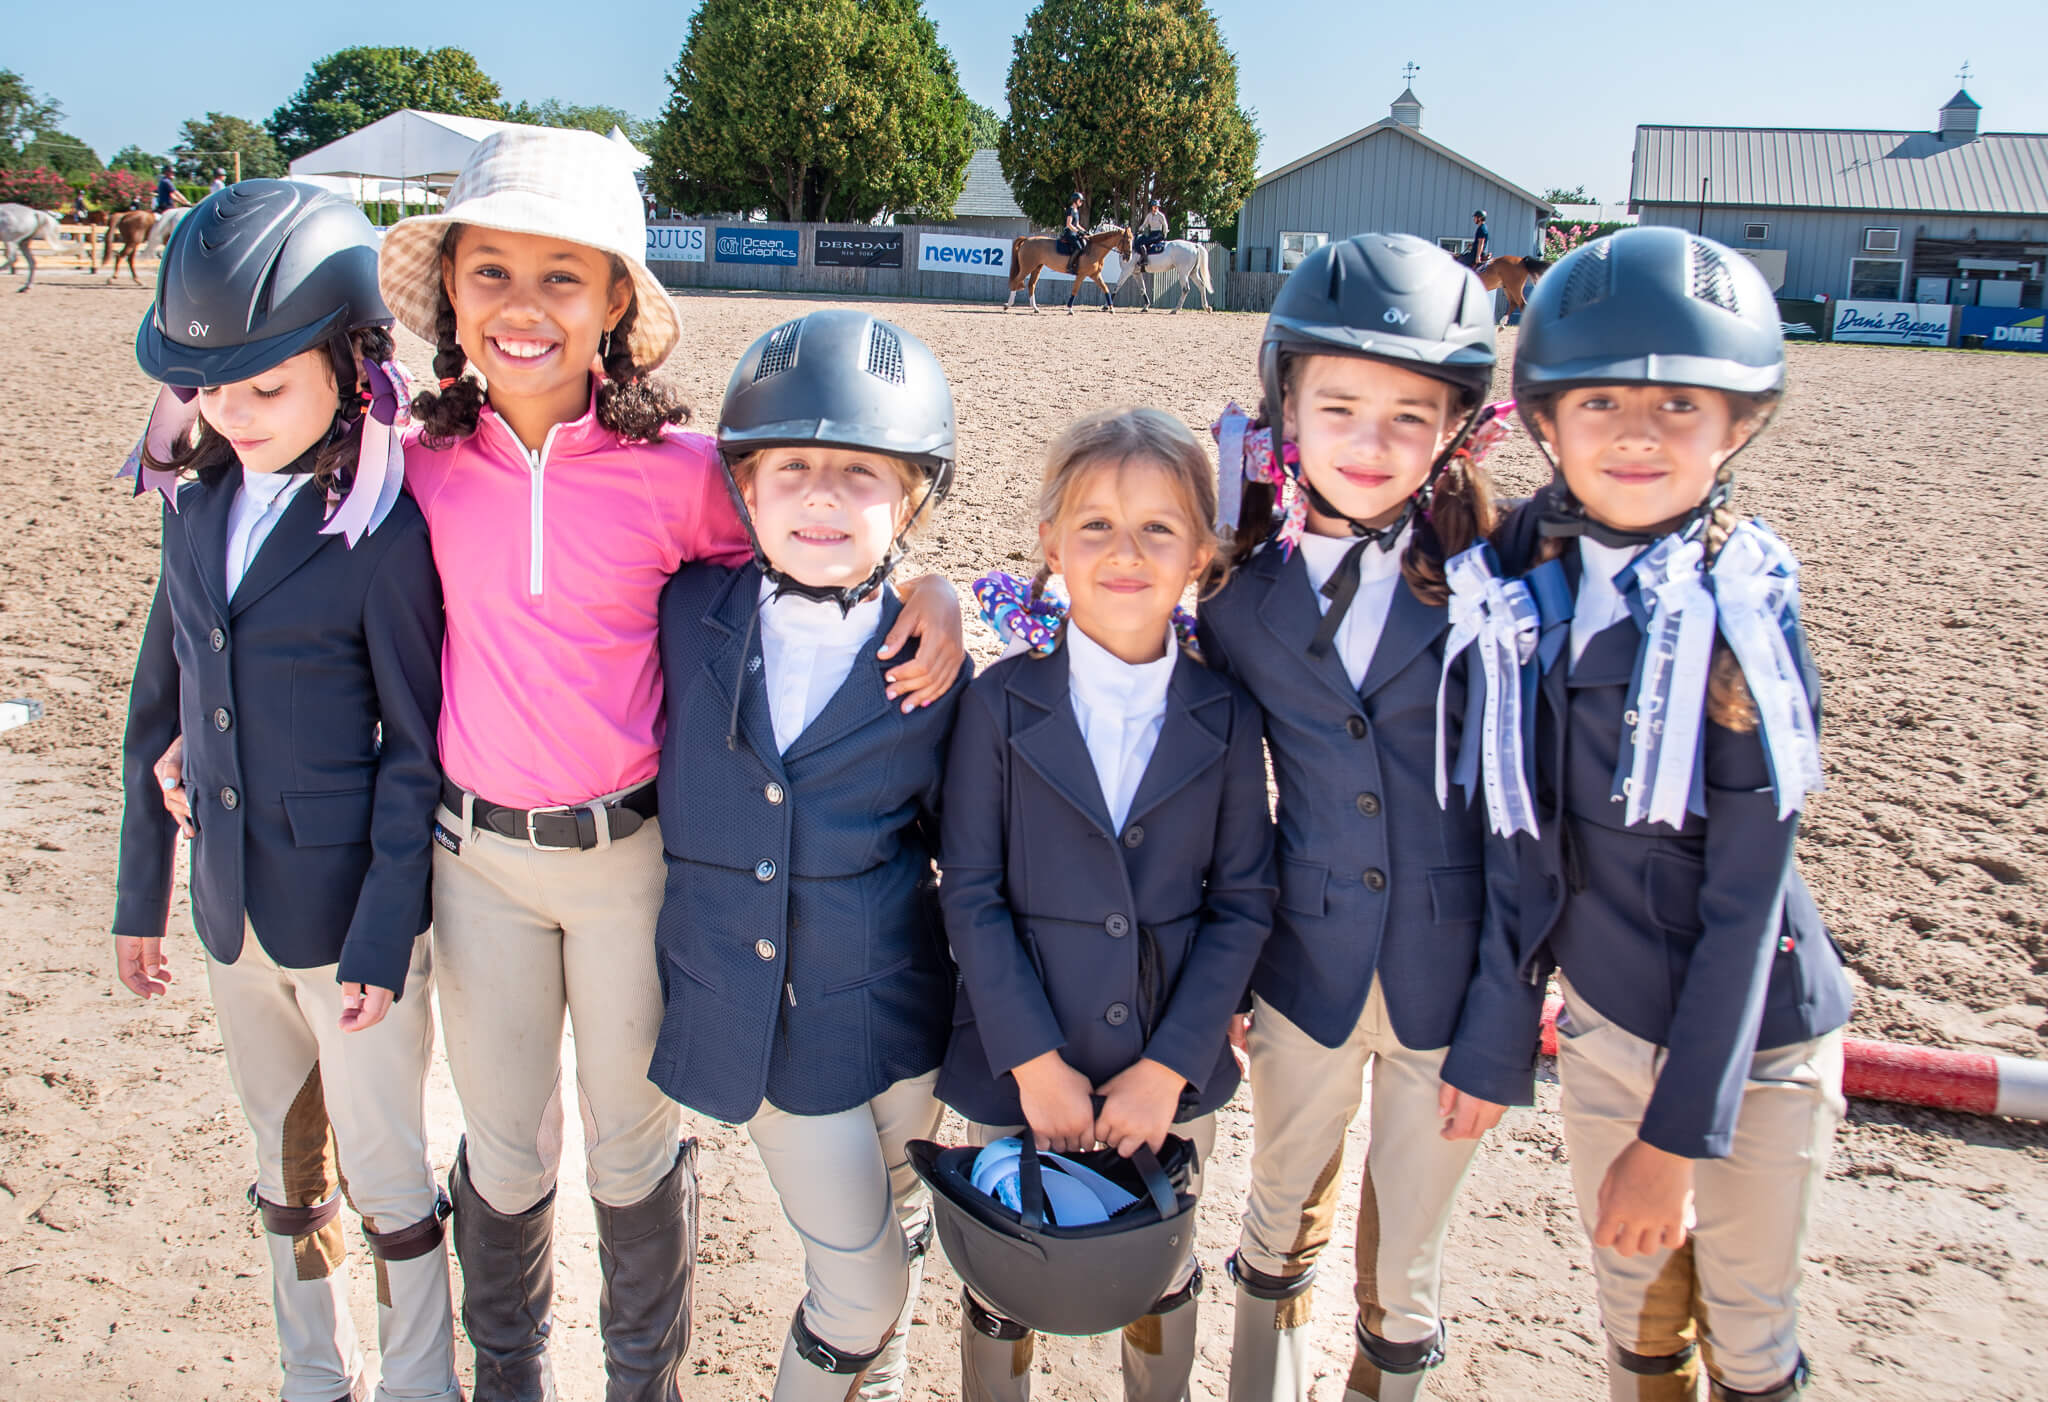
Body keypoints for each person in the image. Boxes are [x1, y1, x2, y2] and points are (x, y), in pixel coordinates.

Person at [374, 126, 966, 1401]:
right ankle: (508, 1378)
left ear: (616, 305)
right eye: (490, 275)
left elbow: (824, 542)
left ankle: (643, 1380)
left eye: (563, 277)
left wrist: (939, 586)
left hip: (631, 856)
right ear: (452, 299)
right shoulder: (415, 472)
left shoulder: (684, 475)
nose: (524, 308)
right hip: (476, 860)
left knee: (630, 1147)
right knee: (501, 1142)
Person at [1476, 225, 1852, 1402]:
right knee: (1634, 1324)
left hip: (1747, 1043)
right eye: (1597, 400)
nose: (1635, 433)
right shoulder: (1522, 564)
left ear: (1737, 422)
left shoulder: (1739, 614)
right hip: (1601, 1023)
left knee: (1745, 1335)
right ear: (1542, 419)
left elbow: (1742, 904)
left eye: (1678, 404)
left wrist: (1673, 1137)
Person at [113, 181, 456, 1402]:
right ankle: (314, 1371)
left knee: (387, 1168)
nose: (235, 417)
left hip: (348, 926)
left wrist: (382, 933)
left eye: (267, 388)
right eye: (212, 391)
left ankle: (421, 1377)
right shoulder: (192, 507)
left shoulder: (383, 534)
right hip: (227, 914)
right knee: (281, 1161)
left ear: (351, 367)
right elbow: (155, 712)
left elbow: (414, 752)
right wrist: (135, 899)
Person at [1197, 232, 1507, 1402]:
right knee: (1275, 1222)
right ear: (1285, 406)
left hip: (1451, 982)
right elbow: (1228, 809)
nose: (1369, 446)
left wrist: (1509, 1001)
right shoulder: (1236, 598)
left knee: (1409, 1265)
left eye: (1407, 417)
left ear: (1454, 428)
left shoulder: (1499, 577)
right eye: (1337, 409)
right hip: (1301, 971)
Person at [648, 308, 971, 1402]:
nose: (822, 496)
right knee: (857, 1292)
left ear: (914, 495)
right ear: (741, 484)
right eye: (789, 468)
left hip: (899, 1011)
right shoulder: (680, 608)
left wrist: (951, 590)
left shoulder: (937, 653)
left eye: (858, 471)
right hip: (768, 1030)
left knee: (903, 1228)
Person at [939, 407, 1277, 1402]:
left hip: (1164, 1078)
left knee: (1157, 1267)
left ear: (1200, 555)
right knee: (1006, 1271)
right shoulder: (999, 704)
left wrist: (1167, 1068)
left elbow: (1242, 901)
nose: (1123, 553)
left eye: (1157, 529)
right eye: (1093, 525)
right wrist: (1035, 1066)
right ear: (1049, 544)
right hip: (1016, 1066)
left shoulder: (1225, 712)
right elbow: (970, 887)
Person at [1060, 191, 1089, 274]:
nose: (1081, 202)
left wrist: (1085, 231)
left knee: (1084, 244)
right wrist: (1078, 232)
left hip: (1074, 233)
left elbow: (1077, 224)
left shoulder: (1076, 211)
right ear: (1076, 201)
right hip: (1069, 233)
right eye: (1080, 201)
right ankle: (1069, 266)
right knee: (1079, 247)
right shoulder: (1071, 210)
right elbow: (1069, 224)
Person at [1136, 200, 1168, 269]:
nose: (1155, 208)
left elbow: (1165, 225)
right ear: (1152, 207)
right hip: (1152, 233)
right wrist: (1139, 229)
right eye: (1154, 207)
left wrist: (1165, 234)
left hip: (1158, 234)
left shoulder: (1160, 216)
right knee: (1139, 240)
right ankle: (1142, 256)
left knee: (1144, 242)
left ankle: (1145, 260)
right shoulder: (1149, 215)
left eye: (1156, 207)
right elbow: (1144, 224)